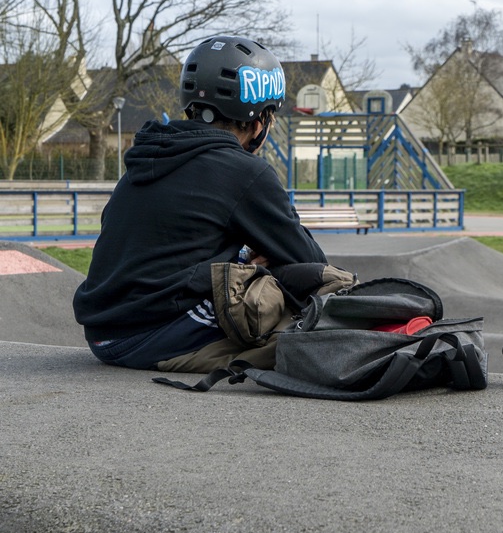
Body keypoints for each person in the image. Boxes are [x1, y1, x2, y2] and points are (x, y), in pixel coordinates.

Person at [73, 35, 327, 371]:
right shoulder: (245, 171)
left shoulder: (150, 154)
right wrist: (251, 259)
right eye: (271, 116)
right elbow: (309, 261)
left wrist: (237, 256)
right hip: (149, 335)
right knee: (299, 299)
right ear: (257, 123)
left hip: (102, 334)